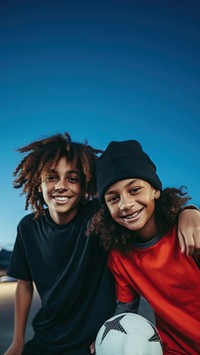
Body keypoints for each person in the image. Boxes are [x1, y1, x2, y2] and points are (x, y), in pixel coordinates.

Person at [4, 133, 199, 355]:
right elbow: (24, 283)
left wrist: (189, 211)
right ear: (37, 182)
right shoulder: (31, 227)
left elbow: (149, 206)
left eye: (72, 178)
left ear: (85, 184)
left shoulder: (97, 219)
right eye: (51, 177)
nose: (61, 186)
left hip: (90, 341)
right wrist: (18, 341)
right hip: (47, 335)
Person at [88, 139, 200, 355]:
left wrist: (192, 210)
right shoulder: (119, 257)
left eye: (135, 189)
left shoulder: (188, 230)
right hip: (173, 349)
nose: (125, 204)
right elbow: (126, 308)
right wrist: (107, 337)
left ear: (155, 190)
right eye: (113, 198)